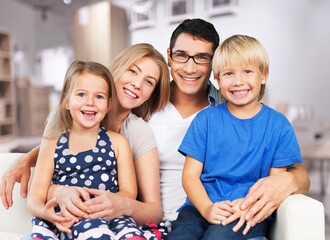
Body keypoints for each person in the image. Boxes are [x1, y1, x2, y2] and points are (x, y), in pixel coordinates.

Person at [147, 18, 310, 234]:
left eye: (201, 58)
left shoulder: (276, 125)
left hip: (244, 210)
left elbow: (277, 181)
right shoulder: (150, 104)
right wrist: (206, 208)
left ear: (264, 75)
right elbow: (190, 175)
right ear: (219, 77)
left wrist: (248, 206)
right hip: (195, 210)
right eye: (229, 74)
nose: (238, 81)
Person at [1, 43, 171, 239]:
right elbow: (53, 157)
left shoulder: (135, 133)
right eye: (132, 71)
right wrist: (29, 161)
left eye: (149, 82)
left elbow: (151, 208)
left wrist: (119, 204)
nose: (137, 84)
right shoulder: (63, 120)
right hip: (65, 218)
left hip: (111, 218)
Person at [27, 60, 138, 239]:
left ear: (109, 105)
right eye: (81, 94)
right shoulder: (53, 142)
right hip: (65, 219)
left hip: (106, 217)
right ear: (66, 101)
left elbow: (129, 192)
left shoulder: (117, 142)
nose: (90, 103)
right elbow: (35, 197)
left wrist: (105, 203)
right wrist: (46, 213)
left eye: (99, 97)